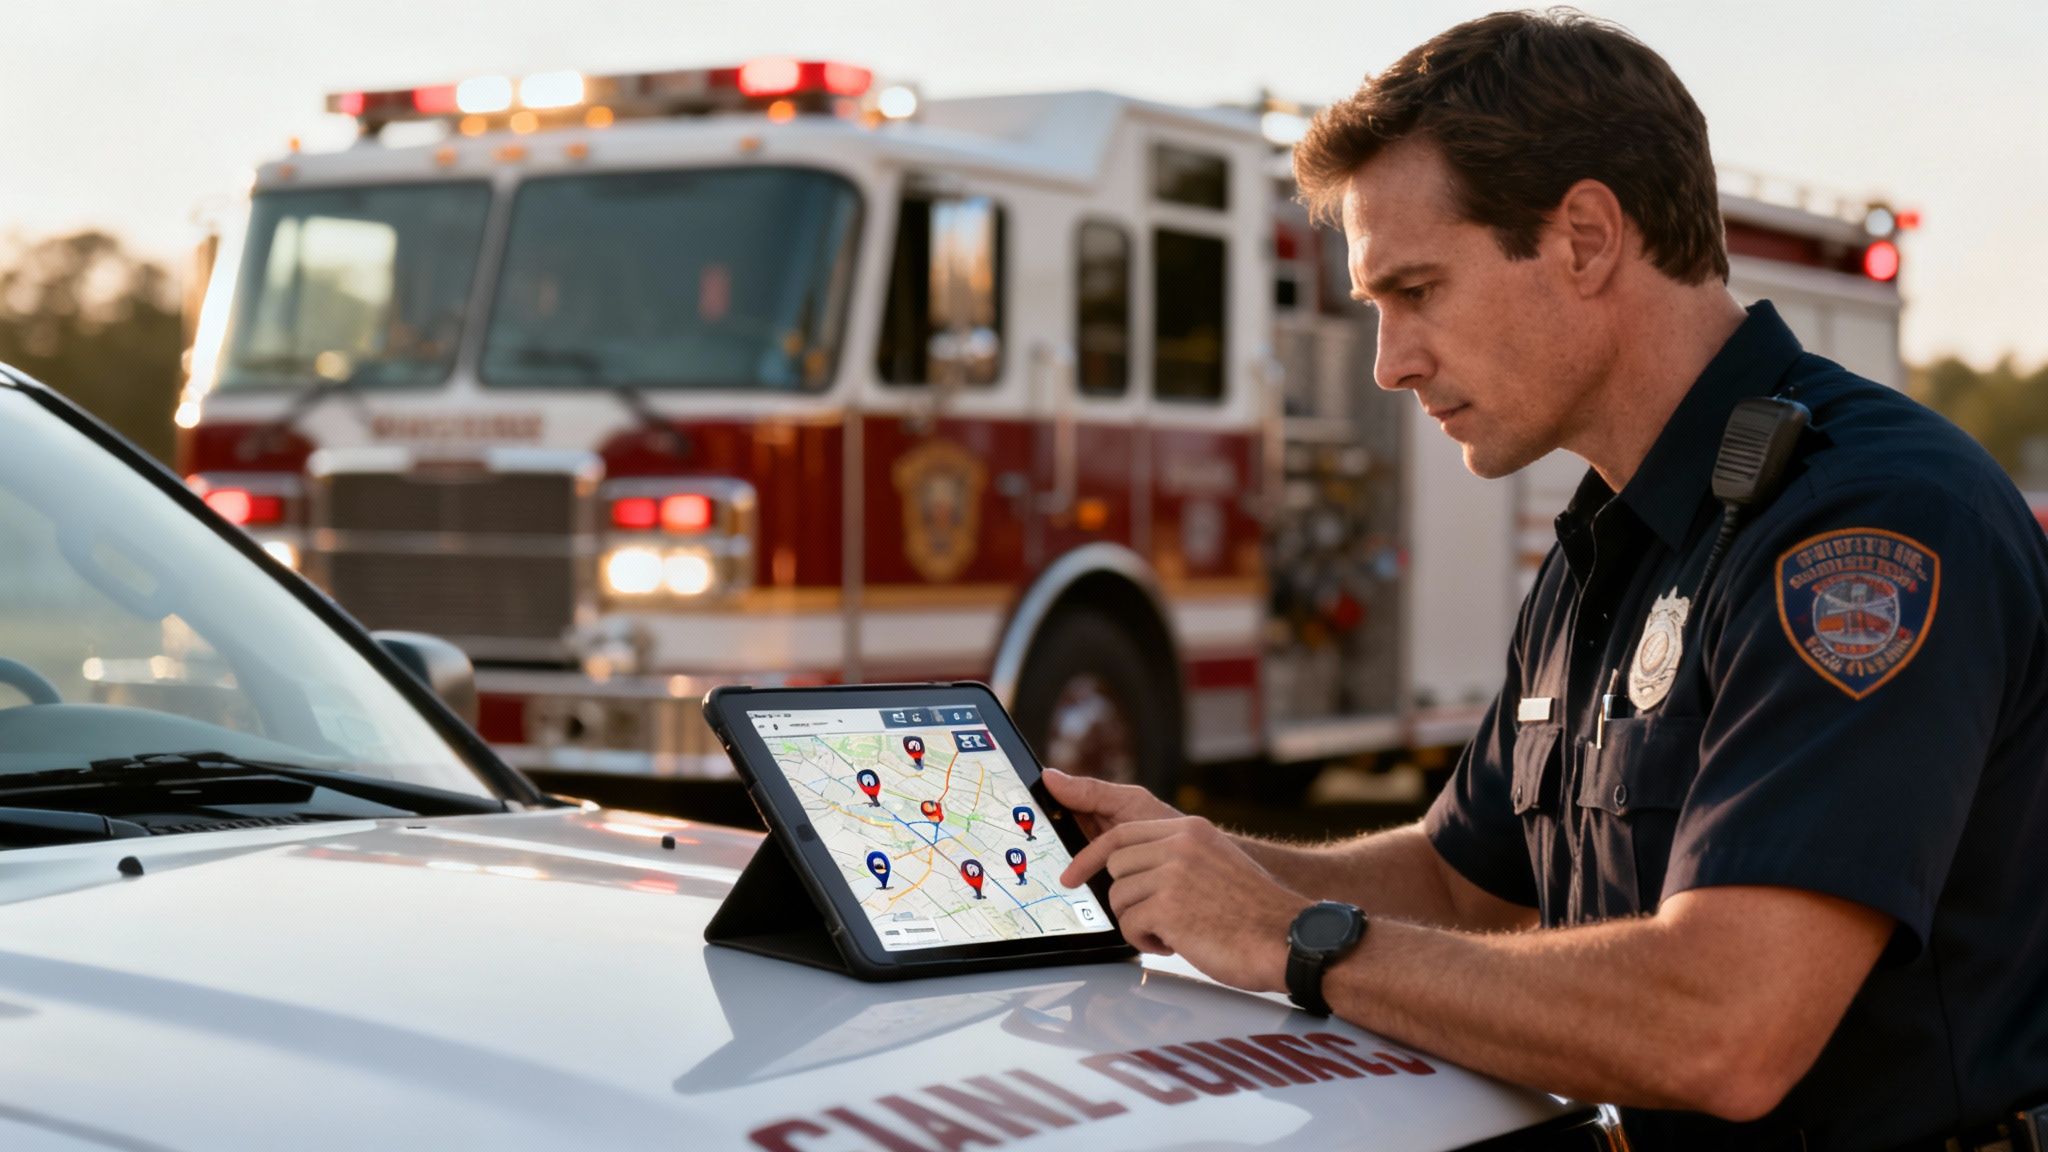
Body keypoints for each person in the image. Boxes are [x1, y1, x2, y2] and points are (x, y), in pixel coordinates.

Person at [1048, 10, 2048, 1150]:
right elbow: (1458, 880)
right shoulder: (1614, 537)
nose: (1388, 363)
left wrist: (1293, 939)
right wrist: (1175, 866)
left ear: (1582, 238)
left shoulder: (1868, 526)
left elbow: (1722, 1026)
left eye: (1415, 290)